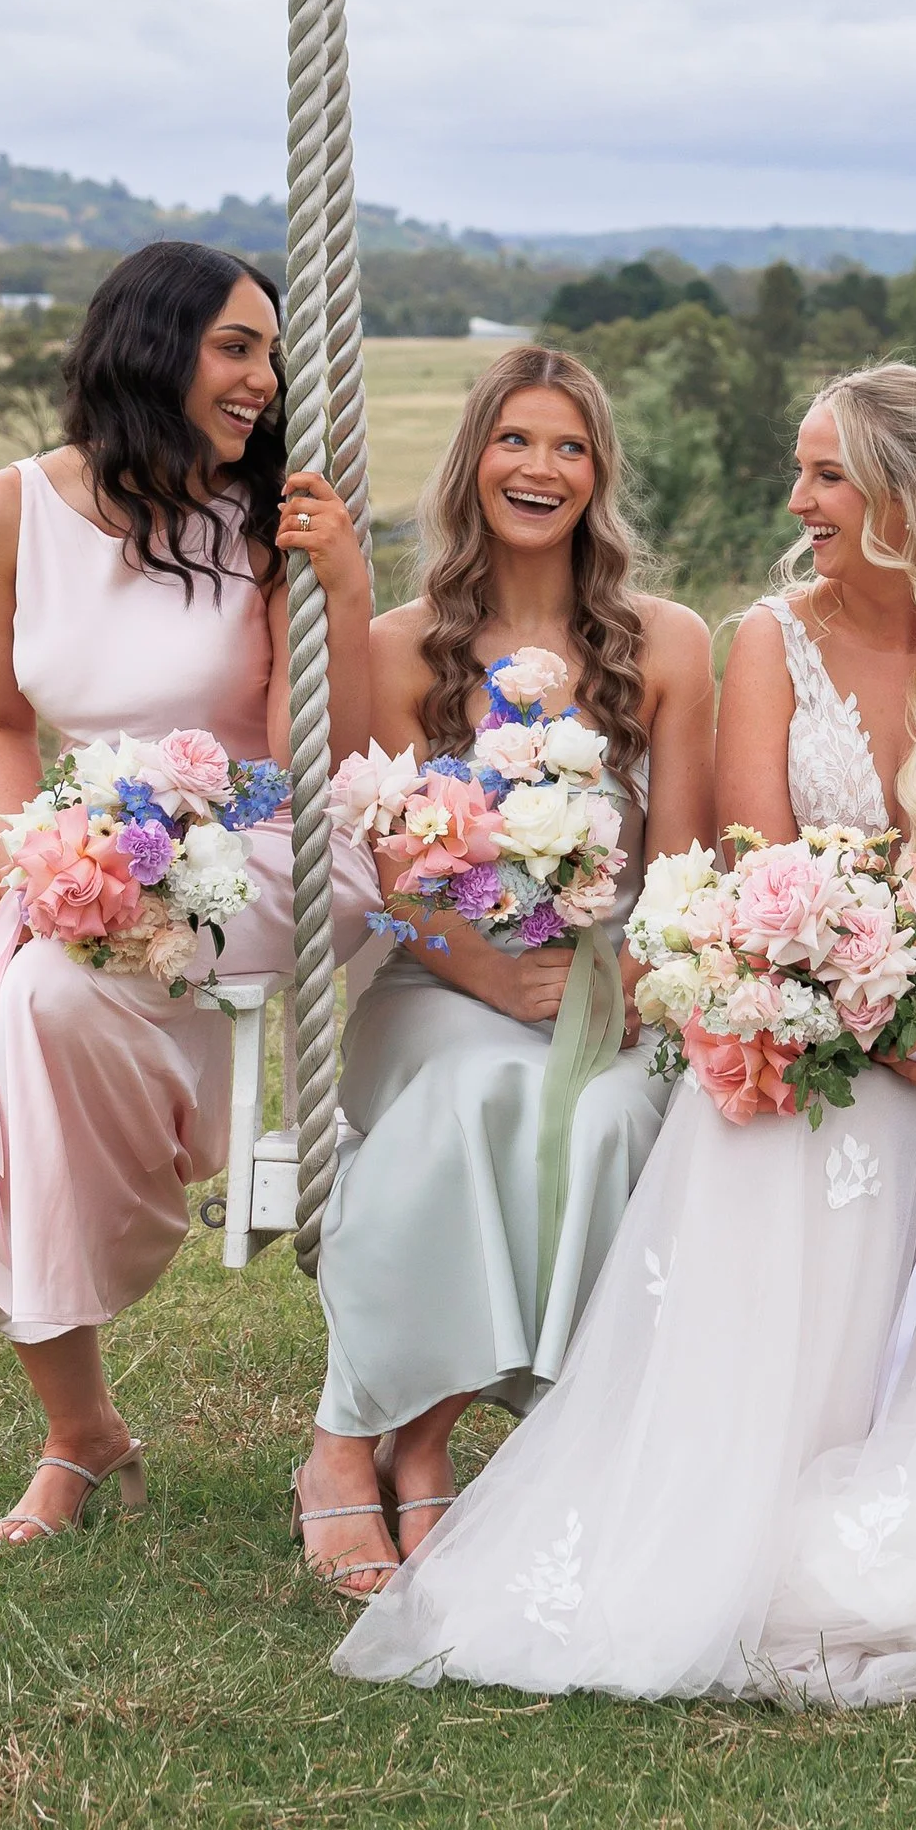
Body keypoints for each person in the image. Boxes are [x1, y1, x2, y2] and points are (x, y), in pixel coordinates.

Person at [333, 362, 916, 1704]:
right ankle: (734, 1487)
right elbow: (753, 872)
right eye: (803, 468)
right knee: (781, 1137)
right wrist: (876, 1026)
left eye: (826, 473)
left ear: (913, 490)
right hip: (817, 1015)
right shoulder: (770, 639)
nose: (797, 498)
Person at [0, 243, 374, 1546]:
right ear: (151, 343)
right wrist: (34, 859)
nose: (261, 377)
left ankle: (172, 1138)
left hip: (273, 849)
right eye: (235, 345)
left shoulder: (273, 511)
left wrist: (341, 581)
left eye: (269, 352)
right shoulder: (4, 511)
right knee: (32, 1015)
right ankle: (83, 1434)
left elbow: (321, 747)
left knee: (53, 1003)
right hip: (95, 858)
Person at [291, 347, 714, 1600]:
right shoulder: (398, 646)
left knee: (601, 1115)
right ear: (474, 463)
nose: (542, 469)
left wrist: (623, 978)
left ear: (599, 476)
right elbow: (383, 867)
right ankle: (344, 1438)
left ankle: (432, 1442)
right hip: (434, 988)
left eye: (570, 447)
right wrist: (478, 970)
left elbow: (681, 867)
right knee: (483, 1092)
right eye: (516, 442)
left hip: (609, 984)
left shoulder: (671, 646)